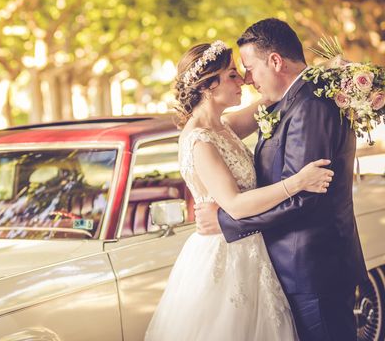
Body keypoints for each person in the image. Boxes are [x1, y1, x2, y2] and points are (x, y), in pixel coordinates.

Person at [145, 37, 333, 340]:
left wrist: (329, 72)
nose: (243, 81)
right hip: (225, 254)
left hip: (251, 248)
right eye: (233, 74)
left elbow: (274, 95)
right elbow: (235, 205)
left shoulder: (224, 127)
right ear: (208, 86)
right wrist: (298, 182)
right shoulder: (199, 141)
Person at [194, 18, 368, 340]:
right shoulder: (291, 100)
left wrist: (228, 223)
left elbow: (304, 198)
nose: (247, 79)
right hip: (296, 269)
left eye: (248, 68)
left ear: (275, 61)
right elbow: (218, 131)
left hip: (314, 271)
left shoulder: (310, 106)